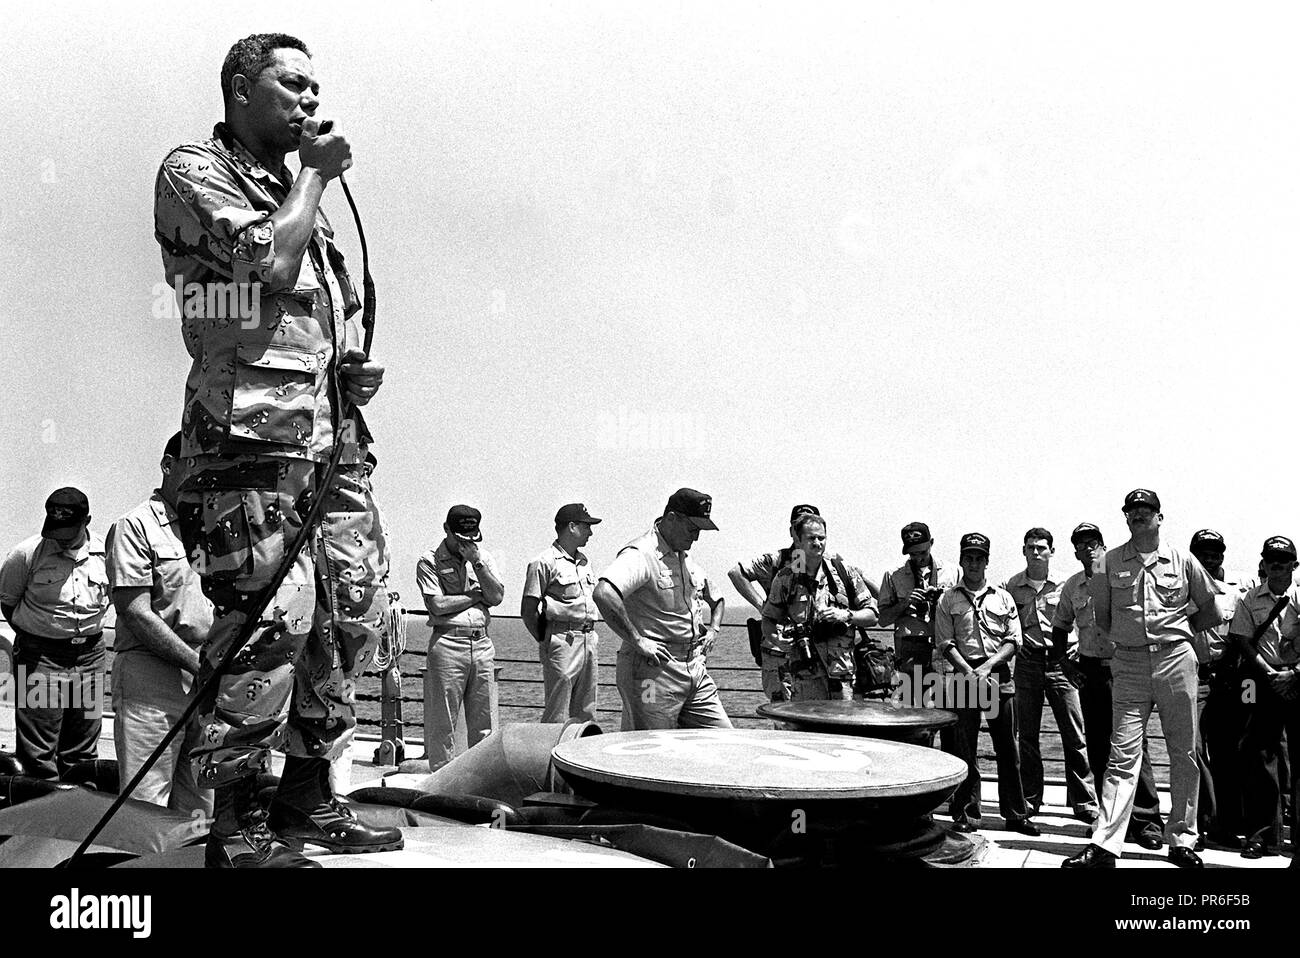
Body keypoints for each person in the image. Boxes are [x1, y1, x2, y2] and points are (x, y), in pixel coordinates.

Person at [154, 33, 400, 867]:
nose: (308, 98)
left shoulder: (297, 194)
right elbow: (265, 266)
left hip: (330, 449)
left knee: (348, 614)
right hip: (245, 450)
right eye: (290, 85)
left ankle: (308, 800)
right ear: (239, 91)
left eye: (314, 85)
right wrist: (317, 173)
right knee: (268, 624)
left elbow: (293, 320)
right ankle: (240, 825)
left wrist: (344, 375)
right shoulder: (196, 171)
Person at [1063, 489, 1221, 869]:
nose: (1138, 515)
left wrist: (1177, 634)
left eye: (1145, 510)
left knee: (1183, 754)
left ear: (1159, 517)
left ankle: (1182, 839)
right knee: (1122, 756)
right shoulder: (1108, 562)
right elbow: (1102, 618)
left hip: (1176, 664)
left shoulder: (1183, 560)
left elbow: (1211, 612)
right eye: (1131, 511)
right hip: (1129, 667)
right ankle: (1105, 845)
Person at [105, 434, 213, 816]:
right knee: (145, 805)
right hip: (154, 679)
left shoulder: (213, 527)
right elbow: (135, 611)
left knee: (201, 808)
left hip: (208, 682)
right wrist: (199, 665)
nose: (201, 475)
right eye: (193, 464)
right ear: (168, 465)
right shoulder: (135, 526)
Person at [1051, 523, 1165, 849]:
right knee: (1099, 746)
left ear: (1103, 547)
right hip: (1089, 671)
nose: (1088, 550)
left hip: (1124, 669)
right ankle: (1110, 819)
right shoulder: (1073, 586)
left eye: (1093, 543)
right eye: (1081, 545)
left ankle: (1146, 821)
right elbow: (1060, 627)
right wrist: (1065, 664)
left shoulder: (1122, 577)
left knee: (1133, 744)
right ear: (1074, 552)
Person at [594, 488, 730, 729]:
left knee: (722, 741)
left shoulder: (684, 558)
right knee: (651, 750)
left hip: (693, 668)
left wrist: (714, 629)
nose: (696, 537)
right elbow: (604, 593)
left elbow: (716, 598)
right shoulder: (642, 554)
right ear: (671, 518)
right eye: (692, 529)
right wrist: (637, 640)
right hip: (652, 676)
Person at [0, 488, 109, 780]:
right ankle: (37, 822)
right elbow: (8, 603)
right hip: (41, 660)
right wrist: (39, 638)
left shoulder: (107, 554)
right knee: (38, 753)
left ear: (88, 520)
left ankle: (80, 817)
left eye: (69, 531)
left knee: (83, 749)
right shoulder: (26, 555)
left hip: (91, 658)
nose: (60, 539)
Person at [934, 533, 1039, 836]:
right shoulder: (948, 598)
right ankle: (966, 812)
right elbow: (945, 642)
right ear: (961, 560)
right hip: (964, 677)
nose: (974, 563)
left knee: (1008, 747)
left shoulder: (1002, 596)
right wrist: (969, 670)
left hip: (998, 676)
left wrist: (989, 666)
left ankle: (1016, 814)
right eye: (969, 557)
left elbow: (1014, 639)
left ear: (987, 561)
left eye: (980, 557)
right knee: (965, 749)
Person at [1002, 528, 1097, 823]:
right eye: (1030, 547)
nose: (1036, 552)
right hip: (1027, 663)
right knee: (1027, 735)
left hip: (1061, 662)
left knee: (1075, 733)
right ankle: (1031, 798)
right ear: (1023, 550)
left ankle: (1084, 800)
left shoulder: (1066, 584)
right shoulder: (1011, 586)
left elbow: (1085, 620)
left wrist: (1079, 648)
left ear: (1052, 552)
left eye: (1042, 547)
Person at [416, 505, 506, 768]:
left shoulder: (482, 558)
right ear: (446, 530)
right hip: (448, 643)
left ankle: (482, 778)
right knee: (443, 722)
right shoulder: (429, 560)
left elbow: (497, 597)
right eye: (460, 538)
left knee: (484, 721)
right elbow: (438, 606)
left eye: (471, 538)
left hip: (481, 643)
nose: (466, 544)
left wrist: (476, 563)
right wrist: (475, 596)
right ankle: (442, 779)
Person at [1229, 536, 1300, 859]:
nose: (1276, 563)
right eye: (1271, 558)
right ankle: (1262, 836)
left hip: (1298, 681)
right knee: (1260, 758)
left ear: (1294, 564)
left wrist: (1293, 673)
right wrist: (1269, 673)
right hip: (1264, 683)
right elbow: (1243, 639)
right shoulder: (1249, 599)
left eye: (1283, 558)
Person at [761, 514, 878, 700]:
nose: (817, 543)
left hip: (843, 678)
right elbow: (768, 620)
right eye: (811, 538)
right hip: (805, 679)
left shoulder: (843, 572)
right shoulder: (786, 579)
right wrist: (777, 640)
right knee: (807, 728)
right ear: (798, 540)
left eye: (821, 538)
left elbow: (872, 615)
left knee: (843, 728)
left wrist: (846, 615)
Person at [1187, 529, 1253, 847]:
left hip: (1228, 681)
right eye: (1203, 554)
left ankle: (1226, 826)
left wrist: (1243, 685)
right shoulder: (1180, 593)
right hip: (1193, 678)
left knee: (1228, 754)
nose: (1209, 560)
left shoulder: (1234, 595)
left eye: (1214, 554)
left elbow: (1243, 640)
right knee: (1193, 751)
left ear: (1221, 558)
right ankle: (1203, 822)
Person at [728, 504, 822, 703]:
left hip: (814, 650)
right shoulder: (775, 560)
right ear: (792, 531)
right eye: (800, 525)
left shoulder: (826, 564)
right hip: (779, 651)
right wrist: (762, 606)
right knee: (783, 714)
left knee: (817, 711)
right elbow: (736, 573)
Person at [522, 504, 602, 723]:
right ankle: (549, 755)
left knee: (587, 710)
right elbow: (528, 610)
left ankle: (579, 754)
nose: (590, 532)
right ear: (572, 527)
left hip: (588, 639)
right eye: (586, 527)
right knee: (557, 711)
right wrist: (547, 639)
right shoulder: (543, 562)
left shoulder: (585, 563)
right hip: (562, 640)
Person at [878, 522, 958, 706]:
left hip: (944, 649)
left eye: (923, 552)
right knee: (911, 710)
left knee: (949, 708)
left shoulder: (953, 572)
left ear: (932, 543)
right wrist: (905, 603)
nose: (919, 558)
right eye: (913, 554)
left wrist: (942, 602)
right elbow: (882, 620)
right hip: (909, 651)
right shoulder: (893, 576)